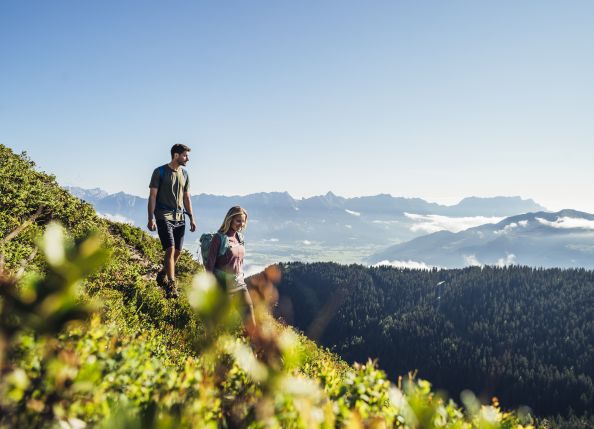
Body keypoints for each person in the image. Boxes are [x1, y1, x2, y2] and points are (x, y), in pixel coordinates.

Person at [147, 144, 197, 298]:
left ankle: (163, 272)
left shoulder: (185, 174)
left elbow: (186, 197)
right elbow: (152, 196)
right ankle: (171, 285)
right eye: (185, 155)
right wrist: (151, 218)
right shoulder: (159, 172)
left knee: (177, 252)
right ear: (176, 155)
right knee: (170, 249)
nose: (187, 159)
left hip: (180, 218)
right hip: (163, 216)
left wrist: (192, 217)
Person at [205, 206, 256, 329]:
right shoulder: (219, 238)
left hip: (240, 284)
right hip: (224, 287)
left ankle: (250, 348)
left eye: (243, 221)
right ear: (230, 220)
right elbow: (209, 266)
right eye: (238, 221)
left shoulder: (240, 238)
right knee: (219, 326)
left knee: (251, 325)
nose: (241, 224)